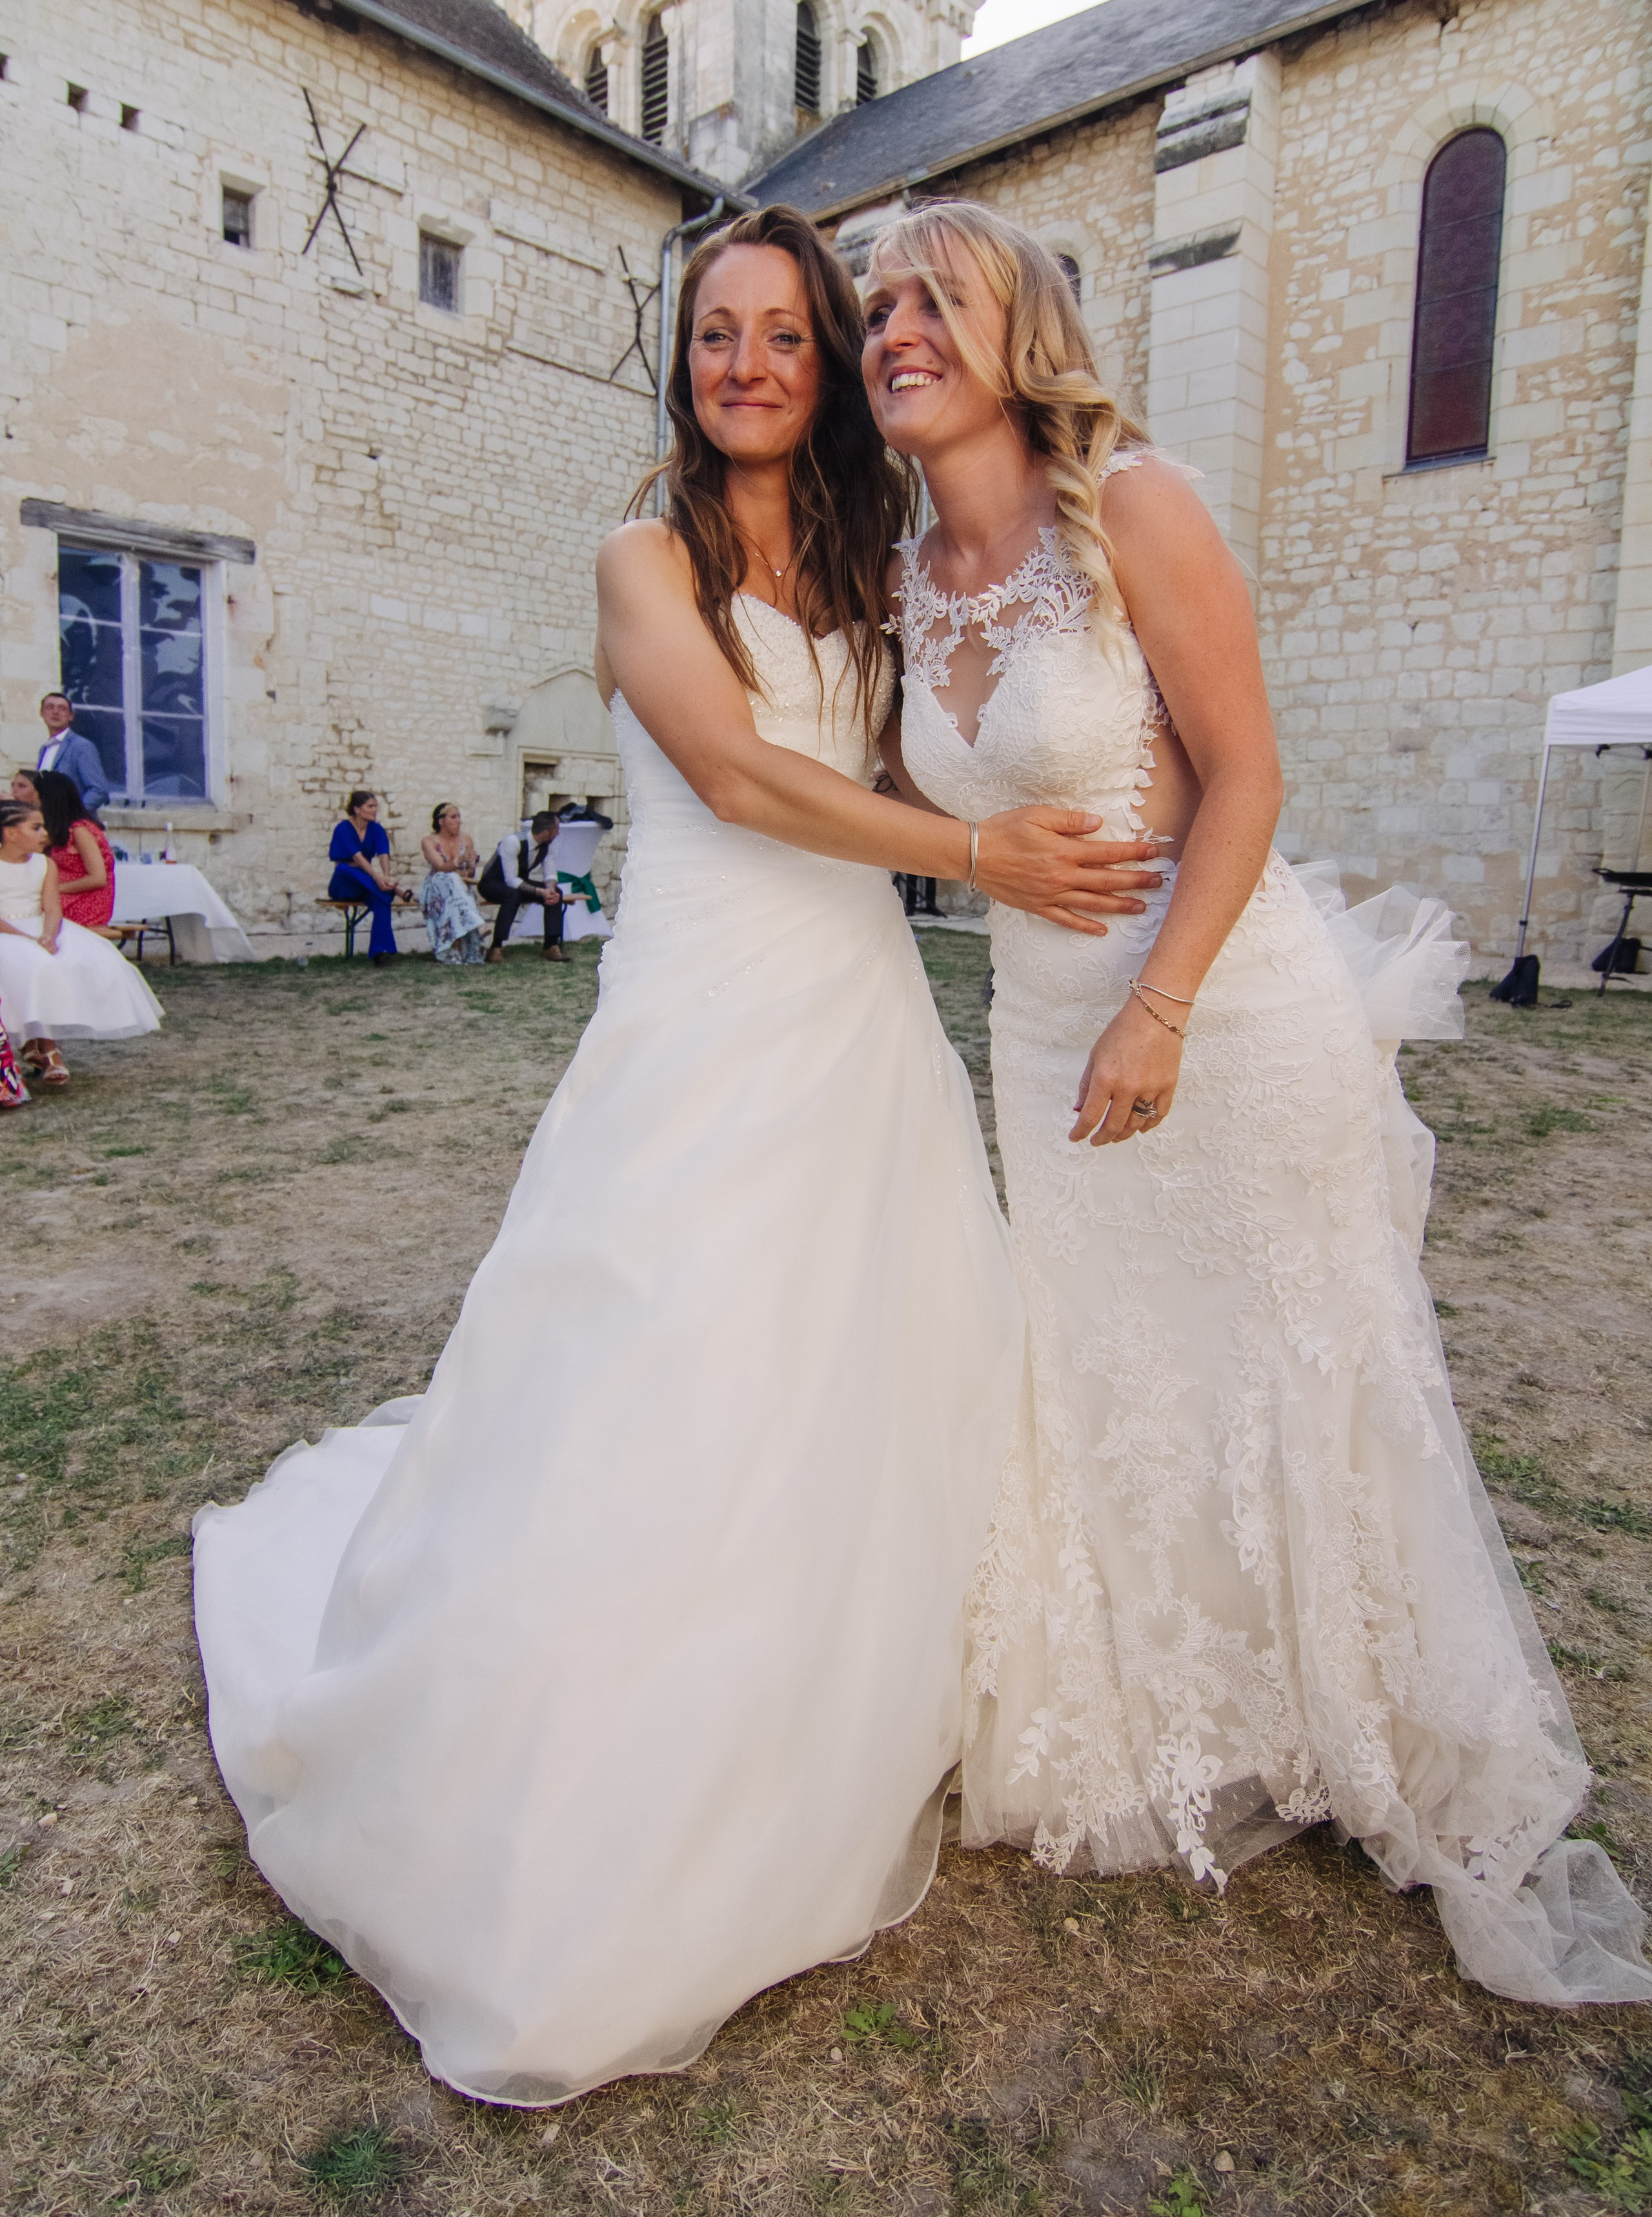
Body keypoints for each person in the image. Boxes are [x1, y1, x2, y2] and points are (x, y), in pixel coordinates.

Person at [193, 203, 1161, 2107]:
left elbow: (925, 750)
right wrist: (979, 858)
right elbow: (732, 772)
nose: (747, 363)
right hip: (702, 1016)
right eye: (716, 331)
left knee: (860, 1365)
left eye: (783, 333)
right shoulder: (641, 558)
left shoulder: (874, 563)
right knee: (664, 1362)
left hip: (858, 1021)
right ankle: (592, 1760)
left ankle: (822, 1699)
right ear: (682, 359)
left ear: (824, 363)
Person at [865, 198, 1652, 2008]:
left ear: (1019, 329)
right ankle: (1185, 1700)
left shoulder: (1128, 503)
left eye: (932, 299)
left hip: (1215, 1001)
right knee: (1112, 1372)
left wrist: (1159, 1007)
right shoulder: (904, 579)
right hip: (1036, 1028)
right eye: (878, 306)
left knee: (1291, 1363)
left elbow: (1246, 774)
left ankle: (1362, 1714)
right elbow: (907, 802)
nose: (894, 327)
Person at [0, 799, 161, 1085]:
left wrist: (49, 935)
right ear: (11, 833)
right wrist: (27, 939)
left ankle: (44, 1045)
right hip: (7, 931)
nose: (45, 833)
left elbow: (53, 908)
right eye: (36, 828)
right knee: (31, 963)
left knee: (66, 960)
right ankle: (40, 1047)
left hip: (39, 925)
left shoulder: (45, 864)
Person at [13, 768, 117, 930]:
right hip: (64, 894)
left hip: (85, 900)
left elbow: (98, 878)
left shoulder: (80, 830)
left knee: (26, 908)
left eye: (38, 798)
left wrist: (55, 889)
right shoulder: (61, 830)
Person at [327, 790, 412, 962]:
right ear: (357, 809)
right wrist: (378, 879)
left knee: (382, 898)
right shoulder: (343, 828)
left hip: (367, 884)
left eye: (375, 806)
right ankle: (395, 890)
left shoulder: (376, 829)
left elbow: (384, 853)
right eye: (370, 806)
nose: (375, 810)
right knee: (344, 869)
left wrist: (386, 877)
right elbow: (357, 857)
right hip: (344, 883)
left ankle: (381, 952)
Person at [479, 810, 570, 963]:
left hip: (518, 883)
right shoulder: (513, 842)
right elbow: (511, 880)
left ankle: (551, 946)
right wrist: (539, 891)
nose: (558, 834)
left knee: (557, 893)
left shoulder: (547, 846)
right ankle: (496, 948)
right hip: (492, 883)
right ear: (547, 833)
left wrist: (550, 890)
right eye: (557, 830)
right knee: (512, 895)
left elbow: (550, 873)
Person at [418, 803, 485, 965]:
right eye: (453, 817)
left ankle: (454, 949)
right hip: (436, 888)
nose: (459, 821)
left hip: (460, 888)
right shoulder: (429, 841)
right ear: (441, 821)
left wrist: (471, 863)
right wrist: (459, 861)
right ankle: (477, 924)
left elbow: (470, 874)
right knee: (450, 879)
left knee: (455, 887)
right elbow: (441, 868)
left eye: (459, 817)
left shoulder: (466, 839)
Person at [35, 692, 110, 815]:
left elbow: (98, 790)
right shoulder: (45, 748)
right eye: (50, 707)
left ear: (71, 716)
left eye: (62, 708)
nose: (55, 712)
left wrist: (74, 816)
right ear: (42, 713)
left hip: (72, 822)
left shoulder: (81, 746)